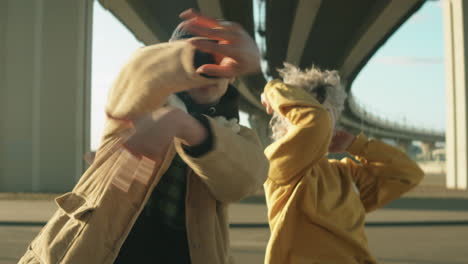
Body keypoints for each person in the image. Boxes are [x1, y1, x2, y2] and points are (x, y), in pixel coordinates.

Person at [19, 9, 268, 264]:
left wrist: (188, 128)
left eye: (218, 60)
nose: (206, 70)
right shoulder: (139, 106)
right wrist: (189, 57)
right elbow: (139, 74)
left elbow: (244, 181)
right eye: (197, 60)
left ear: (233, 74)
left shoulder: (237, 136)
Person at [261, 63, 424, 264]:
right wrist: (272, 88)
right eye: (307, 110)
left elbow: (408, 173)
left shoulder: (345, 172)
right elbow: (314, 124)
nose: (321, 118)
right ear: (286, 116)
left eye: (327, 112)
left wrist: (358, 145)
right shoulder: (280, 163)